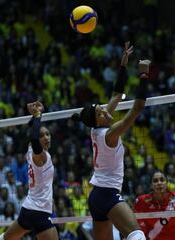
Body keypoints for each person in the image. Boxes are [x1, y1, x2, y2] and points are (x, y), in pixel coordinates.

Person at [71, 42, 149, 240]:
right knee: (137, 234)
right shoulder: (110, 133)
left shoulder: (96, 130)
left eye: (103, 108)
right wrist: (143, 74)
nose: (106, 110)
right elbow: (138, 106)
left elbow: (117, 94)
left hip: (96, 196)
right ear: (98, 119)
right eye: (101, 111)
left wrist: (123, 65)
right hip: (107, 195)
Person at [0, 101, 59, 240]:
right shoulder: (40, 155)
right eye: (42, 136)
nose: (46, 137)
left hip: (28, 209)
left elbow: (32, 131)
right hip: (39, 212)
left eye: (48, 134)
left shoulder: (30, 149)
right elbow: (34, 136)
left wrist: (36, 114)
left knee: (5, 238)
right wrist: (38, 114)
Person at [134, 170, 175, 240]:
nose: (159, 183)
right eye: (155, 181)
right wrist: (143, 227)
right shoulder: (142, 200)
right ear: (151, 185)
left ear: (167, 183)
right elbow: (133, 217)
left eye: (162, 180)